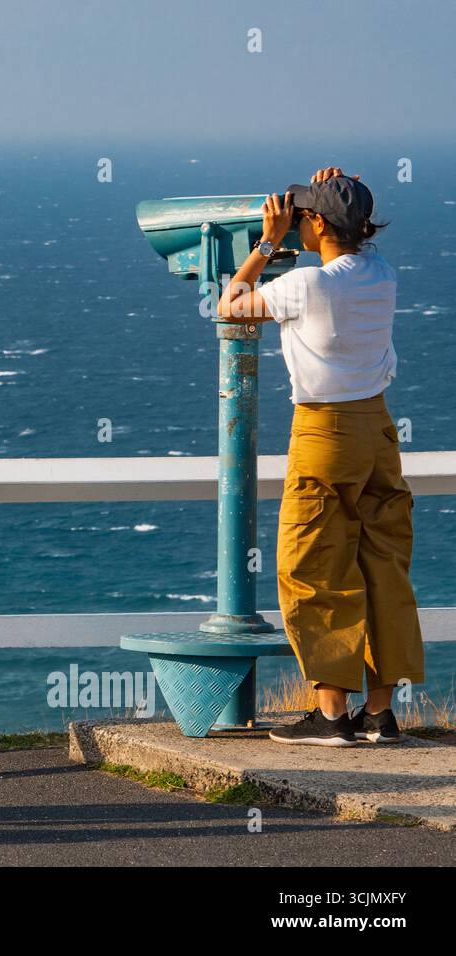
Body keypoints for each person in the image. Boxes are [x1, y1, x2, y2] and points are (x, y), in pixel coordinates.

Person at [216, 166, 424, 747]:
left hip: (324, 433)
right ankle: (380, 716)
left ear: (312, 223)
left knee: (312, 567)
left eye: (303, 214)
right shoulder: (380, 274)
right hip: (379, 432)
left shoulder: (305, 286)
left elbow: (229, 305)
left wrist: (264, 246)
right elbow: (343, 237)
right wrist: (330, 191)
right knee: (382, 566)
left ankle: (331, 715)